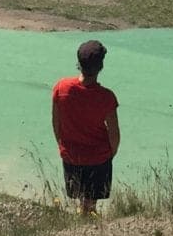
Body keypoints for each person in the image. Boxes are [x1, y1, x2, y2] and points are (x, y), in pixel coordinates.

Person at [50, 39, 121, 216]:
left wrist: (63, 146)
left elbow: (56, 123)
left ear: (79, 63)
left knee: (81, 200)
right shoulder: (107, 97)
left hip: (71, 156)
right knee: (90, 204)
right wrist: (109, 155)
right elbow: (114, 134)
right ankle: (87, 224)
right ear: (101, 67)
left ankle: (82, 219)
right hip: (98, 158)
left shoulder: (61, 88)